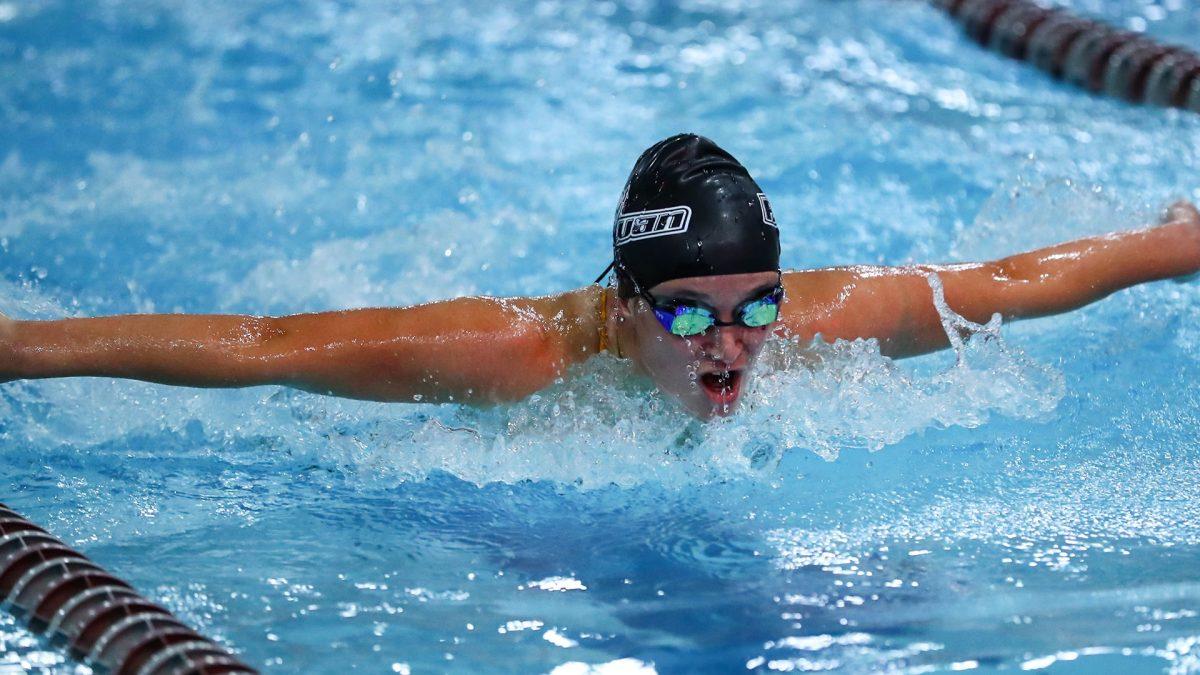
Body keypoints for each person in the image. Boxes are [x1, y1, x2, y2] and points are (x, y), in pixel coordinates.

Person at [1, 134, 1197, 420]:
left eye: (755, 310)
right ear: (626, 304)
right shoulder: (516, 355)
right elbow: (262, 347)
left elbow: (1012, 279)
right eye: (689, 314)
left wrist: (1172, 245)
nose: (731, 349)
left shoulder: (824, 322)